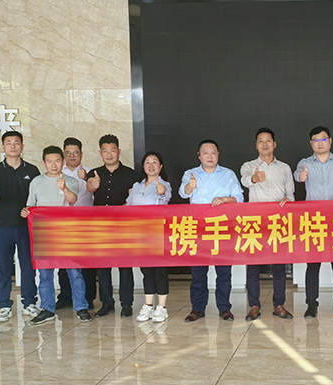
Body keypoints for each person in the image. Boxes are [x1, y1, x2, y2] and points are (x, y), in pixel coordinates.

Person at [21, 146, 90, 324]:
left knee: (74, 272)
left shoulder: (70, 180)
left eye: (57, 161)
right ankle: (47, 308)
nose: (53, 165)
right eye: (49, 161)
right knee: (45, 274)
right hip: (44, 233)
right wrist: (26, 211)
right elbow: (31, 205)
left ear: (63, 162)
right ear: (44, 163)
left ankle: (81, 307)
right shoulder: (36, 182)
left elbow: (73, 200)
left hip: (66, 232)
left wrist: (64, 188)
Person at [294, 126, 333, 318]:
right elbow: (298, 175)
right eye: (316, 140)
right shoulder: (305, 163)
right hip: (314, 221)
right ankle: (311, 305)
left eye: (323, 139)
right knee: (313, 265)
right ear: (311, 143)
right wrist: (301, 176)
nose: (320, 143)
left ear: (330, 141)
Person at [0, 131, 40, 323]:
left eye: (16, 142)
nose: (13, 146)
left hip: (26, 227)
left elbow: (38, 198)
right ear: (3, 147)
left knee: (28, 267)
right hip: (2, 227)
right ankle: (4, 305)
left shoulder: (32, 170)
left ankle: (29, 303)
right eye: (9, 143)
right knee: (4, 268)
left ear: (22, 146)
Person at [180, 139, 244, 322]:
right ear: (199, 156)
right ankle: (197, 308)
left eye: (213, 152)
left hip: (222, 227)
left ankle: (224, 308)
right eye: (205, 153)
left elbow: (239, 198)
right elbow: (183, 193)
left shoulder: (228, 174)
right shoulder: (190, 174)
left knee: (224, 271)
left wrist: (224, 199)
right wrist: (189, 186)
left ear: (218, 155)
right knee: (198, 272)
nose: (209, 156)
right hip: (198, 228)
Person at [240, 127, 295, 321]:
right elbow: (245, 180)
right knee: (253, 267)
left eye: (268, 140)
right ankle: (254, 306)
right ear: (256, 145)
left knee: (279, 267)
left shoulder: (285, 168)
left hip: (278, 222)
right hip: (255, 222)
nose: (265, 144)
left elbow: (290, 194)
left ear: (274, 144)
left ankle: (279, 305)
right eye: (261, 141)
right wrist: (254, 178)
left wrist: (288, 200)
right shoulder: (249, 166)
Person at [87, 134, 137, 318]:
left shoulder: (130, 173)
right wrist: (93, 184)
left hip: (123, 225)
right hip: (100, 226)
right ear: (100, 153)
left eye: (112, 150)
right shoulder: (94, 173)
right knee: (103, 266)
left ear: (119, 151)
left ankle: (126, 304)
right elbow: (89, 188)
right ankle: (107, 303)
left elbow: (133, 198)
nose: (109, 154)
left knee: (125, 266)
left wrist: (121, 209)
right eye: (105, 151)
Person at [127, 151, 172, 323]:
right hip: (140, 235)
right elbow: (128, 205)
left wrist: (161, 191)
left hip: (158, 234)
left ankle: (162, 308)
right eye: (147, 162)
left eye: (155, 162)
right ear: (143, 166)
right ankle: (148, 305)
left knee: (159, 271)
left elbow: (164, 196)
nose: (151, 165)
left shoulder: (164, 184)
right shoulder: (137, 186)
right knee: (146, 271)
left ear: (160, 167)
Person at [56, 137, 97, 311]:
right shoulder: (57, 173)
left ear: (81, 154)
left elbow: (95, 191)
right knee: (64, 263)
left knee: (87, 264)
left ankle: (88, 298)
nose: (72, 156)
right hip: (63, 223)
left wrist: (86, 178)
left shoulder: (89, 172)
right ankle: (65, 297)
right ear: (64, 154)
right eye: (68, 153)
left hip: (86, 223)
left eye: (75, 152)